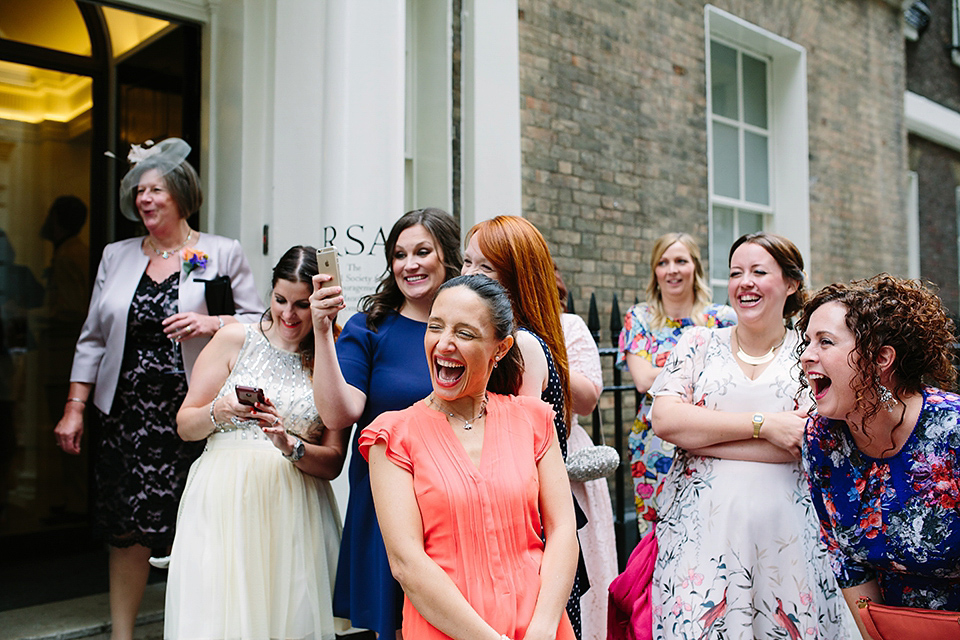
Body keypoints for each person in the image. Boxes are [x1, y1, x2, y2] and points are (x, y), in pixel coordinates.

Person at [53, 137, 263, 640]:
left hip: (192, 413)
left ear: (181, 195)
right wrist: (74, 407)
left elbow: (259, 321)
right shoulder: (116, 256)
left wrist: (210, 322)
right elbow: (92, 338)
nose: (145, 200)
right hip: (126, 414)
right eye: (139, 191)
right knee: (126, 532)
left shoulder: (218, 252)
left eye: (156, 190)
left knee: (193, 526)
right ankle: (122, 635)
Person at [648, 232, 851, 640]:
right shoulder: (698, 344)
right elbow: (666, 419)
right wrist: (765, 425)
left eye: (759, 271)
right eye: (736, 273)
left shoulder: (810, 354)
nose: (745, 282)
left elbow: (806, 442)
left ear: (791, 283)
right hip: (700, 537)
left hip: (789, 537)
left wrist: (700, 436)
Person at [361, 274, 579, 639]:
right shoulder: (393, 436)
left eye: (464, 333)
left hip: (539, 625)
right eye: (435, 327)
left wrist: (543, 627)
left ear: (500, 347)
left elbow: (562, 530)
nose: (444, 344)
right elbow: (406, 564)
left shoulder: (532, 420)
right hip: (447, 628)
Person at [166, 246, 349, 639]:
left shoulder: (333, 354)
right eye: (280, 299)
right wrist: (223, 410)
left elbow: (333, 462)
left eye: (302, 305)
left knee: (287, 619)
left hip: (294, 505)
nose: (287, 314)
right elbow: (185, 425)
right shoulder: (234, 338)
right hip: (223, 500)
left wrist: (289, 445)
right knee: (220, 617)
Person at [310, 208, 462, 639]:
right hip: (389, 506)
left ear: (447, 256)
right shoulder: (370, 327)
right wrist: (323, 331)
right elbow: (339, 414)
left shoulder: (471, 325)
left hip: (457, 497)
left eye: (421, 251)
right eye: (398, 254)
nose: (408, 264)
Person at [798, 274, 960, 638]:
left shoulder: (953, 431)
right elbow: (846, 560)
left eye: (825, 341)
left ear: (881, 358)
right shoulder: (821, 440)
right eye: (808, 341)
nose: (807, 355)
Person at [462, 215, 586, 637]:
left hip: (529, 534)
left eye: (485, 267)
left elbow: (513, 451)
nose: (469, 275)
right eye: (466, 263)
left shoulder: (524, 344)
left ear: (514, 278)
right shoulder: (496, 340)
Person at [617, 232, 736, 536]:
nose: (672, 270)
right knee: (657, 536)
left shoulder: (721, 319)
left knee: (710, 528)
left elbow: (734, 376)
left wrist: (667, 369)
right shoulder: (640, 318)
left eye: (680, 261)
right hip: (654, 442)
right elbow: (643, 380)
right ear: (655, 271)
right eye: (663, 262)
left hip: (713, 434)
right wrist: (699, 369)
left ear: (694, 267)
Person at [555, 266, 617, 640]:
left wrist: (540, 338)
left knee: (584, 580)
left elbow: (588, 398)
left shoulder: (570, 326)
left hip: (568, 462)